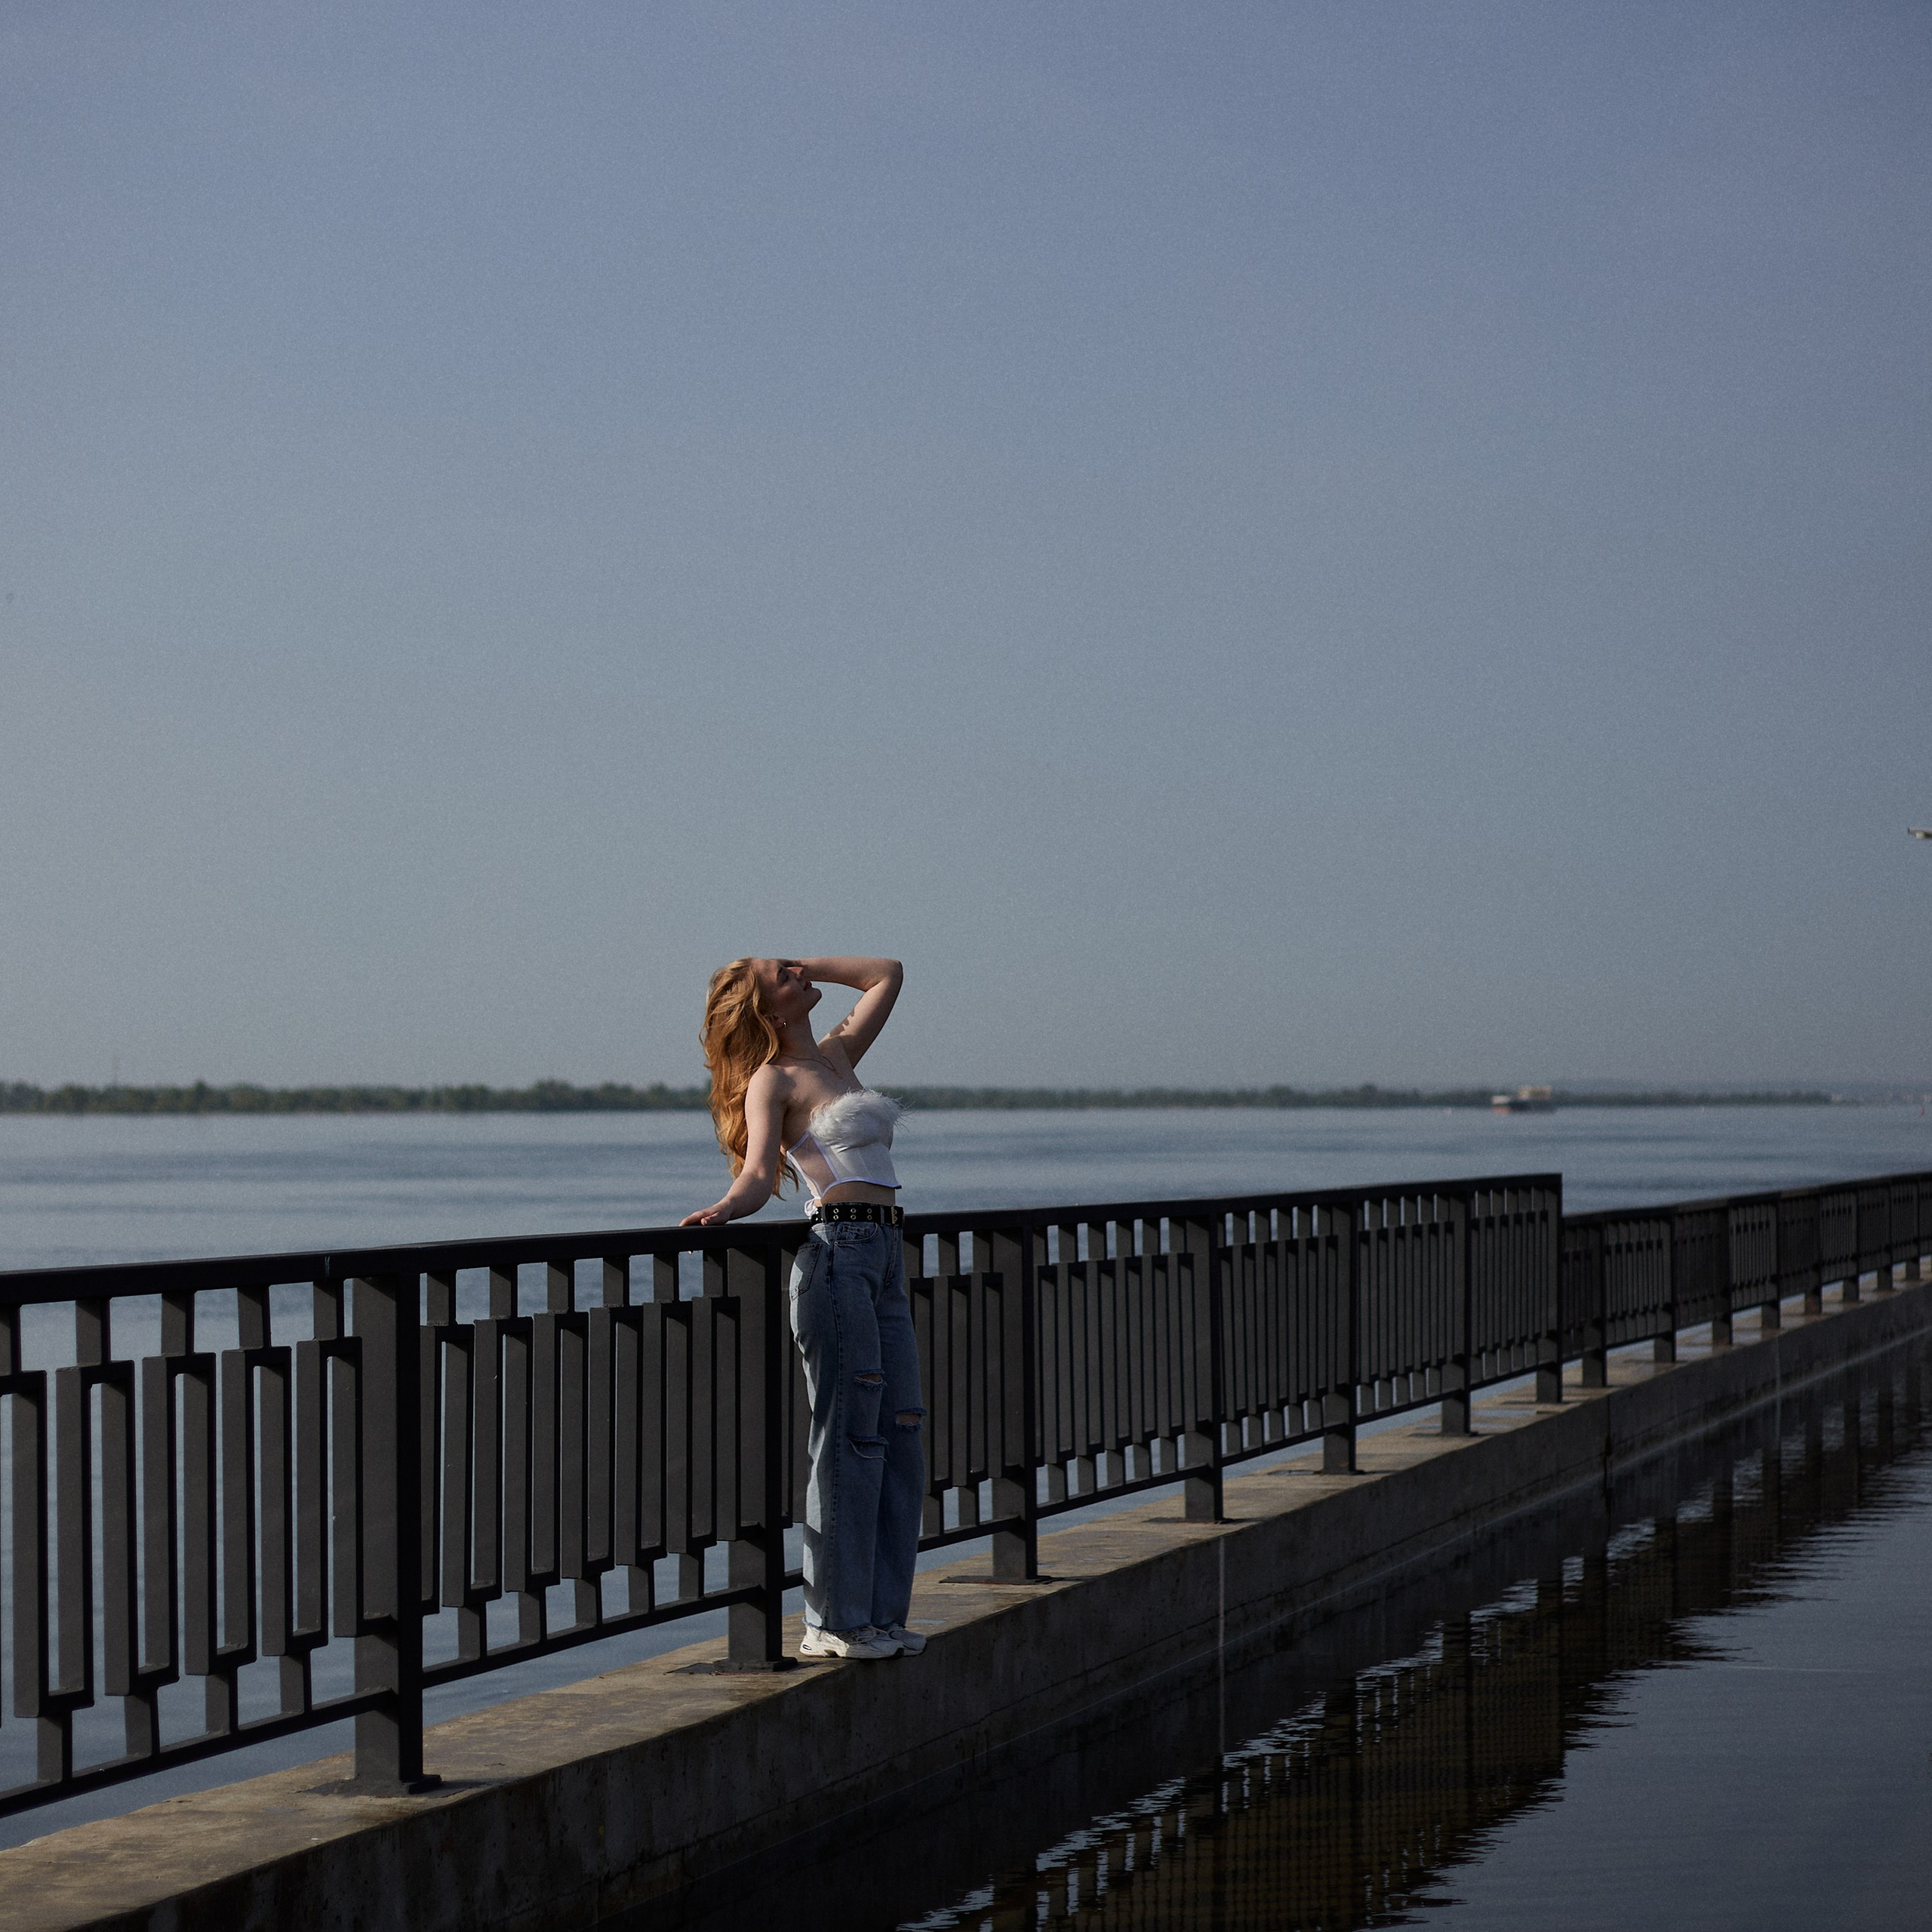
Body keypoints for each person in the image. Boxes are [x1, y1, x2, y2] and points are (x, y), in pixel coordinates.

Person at [681, 956, 924, 1662]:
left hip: (885, 1258)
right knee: (850, 1436)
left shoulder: (838, 1054)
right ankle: (831, 1622)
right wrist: (727, 1208)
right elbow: (759, 1173)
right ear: (770, 1013)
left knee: (901, 1430)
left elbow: (887, 974)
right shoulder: (774, 1080)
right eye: (781, 975)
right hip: (838, 1255)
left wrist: (797, 967)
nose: (796, 968)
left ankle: (879, 1615)